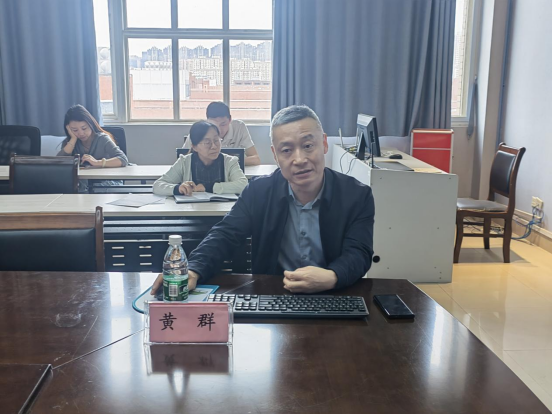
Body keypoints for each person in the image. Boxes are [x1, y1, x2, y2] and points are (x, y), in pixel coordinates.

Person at [152, 105, 375, 295]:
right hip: (273, 294)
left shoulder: (356, 195)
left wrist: (333, 276)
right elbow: (226, 234)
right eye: (286, 150)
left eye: (308, 146)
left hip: (334, 294)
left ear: (324, 144)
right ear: (275, 155)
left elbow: (359, 252)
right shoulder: (259, 191)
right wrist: (193, 269)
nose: (299, 159)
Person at [153, 121, 248, 196]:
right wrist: (178, 188)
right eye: (207, 142)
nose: (214, 146)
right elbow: (158, 185)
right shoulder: (184, 162)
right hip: (192, 212)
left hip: (223, 212)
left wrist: (209, 188)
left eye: (216, 140)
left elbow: (243, 185)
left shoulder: (230, 161)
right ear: (194, 147)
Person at [58, 105, 128, 191]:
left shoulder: (102, 139)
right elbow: (58, 164)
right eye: (75, 130)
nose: (81, 133)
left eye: (84, 128)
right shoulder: (70, 143)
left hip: (105, 183)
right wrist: (73, 139)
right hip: (81, 186)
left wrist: (97, 162)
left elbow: (123, 159)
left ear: (91, 124)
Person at [182, 101, 261, 166]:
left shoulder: (239, 127)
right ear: (207, 121)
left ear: (230, 120)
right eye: (214, 124)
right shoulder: (199, 129)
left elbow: (256, 159)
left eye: (223, 124)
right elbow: (182, 161)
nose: (219, 129)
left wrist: (228, 162)